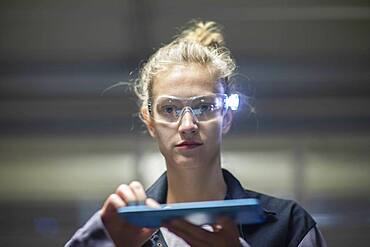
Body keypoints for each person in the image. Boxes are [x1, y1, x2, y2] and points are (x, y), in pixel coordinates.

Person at [65, 20, 326, 247]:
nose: (187, 125)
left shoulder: (288, 225)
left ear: (227, 118)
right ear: (150, 121)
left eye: (204, 107)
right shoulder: (122, 230)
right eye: (169, 108)